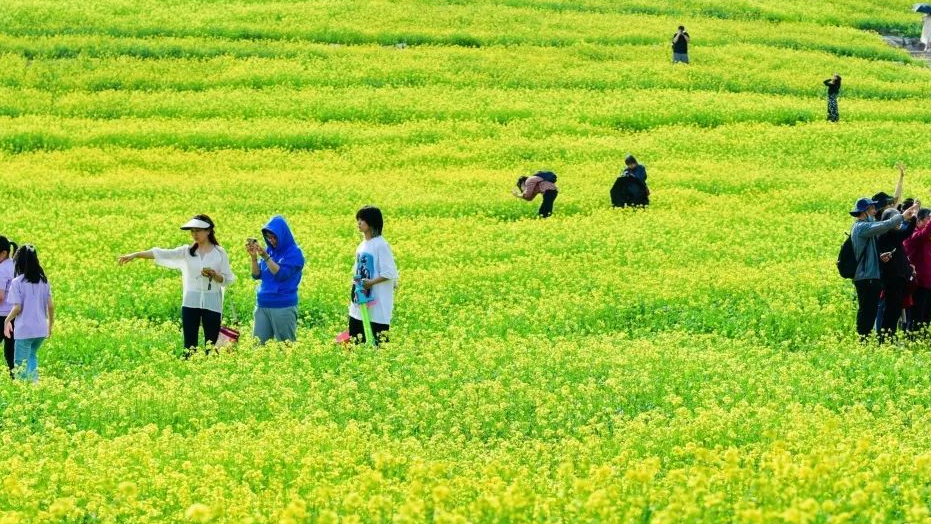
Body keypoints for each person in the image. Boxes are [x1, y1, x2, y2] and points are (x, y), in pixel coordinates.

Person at [119, 215, 236, 353]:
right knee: (189, 346)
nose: (194, 234)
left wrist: (215, 275)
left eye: (198, 230)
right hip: (190, 302)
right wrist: (136, 254)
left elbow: (228, 279)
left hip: (212, 302)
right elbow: (161, 253)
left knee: (212, 346)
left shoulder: (219, 252)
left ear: (208, 231)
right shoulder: (186, 251)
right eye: (192, 231)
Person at [849, 197, 919, 341]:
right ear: (864, 211)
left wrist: (880, 257)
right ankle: (863, 341)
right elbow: (885, 225)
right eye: (872, 209)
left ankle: (867, 341)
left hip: (871, 276)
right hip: (865, 277)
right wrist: (903, 216)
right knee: (866, 311)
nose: (875, 212)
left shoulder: (868, 227)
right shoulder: (862, 227)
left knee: (871, 311)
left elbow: (871, 250)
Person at [247, 215, 304, 344]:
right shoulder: (269, 251)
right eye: (269, 237)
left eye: (274, 237)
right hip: (262, 304)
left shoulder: (294, 253)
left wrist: (266, 257)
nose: (271, 241)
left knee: (286, 348)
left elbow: (281, 274)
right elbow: (256, 275)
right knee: (258, 347)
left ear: (283, 235)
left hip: (283, 306)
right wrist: (254, 258)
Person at [2, 245, 54, 382]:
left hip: (25, 330)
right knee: (32, 356)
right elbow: (51, 306)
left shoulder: (17, 282)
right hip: (40, 330)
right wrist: (50, 326)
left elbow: (18, 307)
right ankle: (34, 386)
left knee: (20, 365)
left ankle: (24, 390)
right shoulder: (44, 281)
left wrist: (7, 320)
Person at [348, 206, 399, 345]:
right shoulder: (363, 245)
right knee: (355, 339)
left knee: (378, 342)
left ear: (371, 222)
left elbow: (389, 272)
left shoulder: (381, 245)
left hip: (377, 303)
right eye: (358, 220)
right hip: (360, 300)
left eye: (362, 220)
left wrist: (371, 283)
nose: (359, 223)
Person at [876, 207, 917, 341]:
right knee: (891, 310)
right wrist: (913, 218)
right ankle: (885, 337)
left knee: (894, 310)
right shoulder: (888, 234)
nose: (898, 223)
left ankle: (889, 336)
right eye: (895, 220)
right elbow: (907, 232)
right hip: (892, 279)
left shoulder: (891, 234)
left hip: (897, 279)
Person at [905, 208, 931, 332]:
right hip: (918, 282)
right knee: (916, 314)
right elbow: (923, 235)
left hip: (928, 282)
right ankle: (912, 338)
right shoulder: (913, 234)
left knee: (926, 314)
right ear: (919, 220)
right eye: (928, 219)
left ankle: (922, 338)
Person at [0, 237, 18, 378]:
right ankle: (15, 377)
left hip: (2, 315)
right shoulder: (14, 265)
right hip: (15, 314)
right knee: (11, 349)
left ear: (4, 253)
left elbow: (0, 297)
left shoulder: (2, 269)